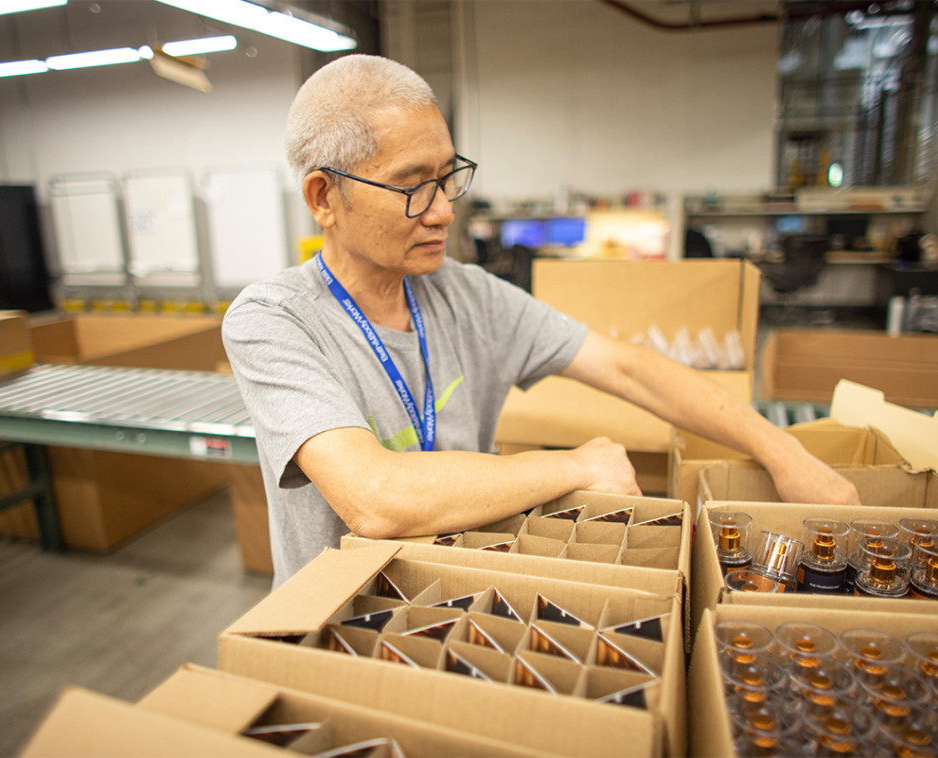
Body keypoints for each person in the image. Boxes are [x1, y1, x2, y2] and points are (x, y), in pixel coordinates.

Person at [223, 54, 859, 587]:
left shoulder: (468, 297)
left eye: (448, 178)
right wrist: (575, 465)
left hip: (458, 593)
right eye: (414, 186)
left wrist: (784, 452)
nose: (444, 211)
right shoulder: (273, 321)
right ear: (323, 197)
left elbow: (629, 367)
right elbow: (375, 498)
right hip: (339, 621)